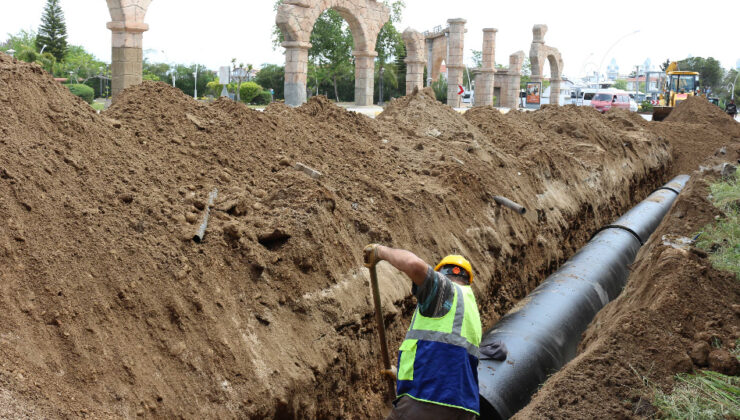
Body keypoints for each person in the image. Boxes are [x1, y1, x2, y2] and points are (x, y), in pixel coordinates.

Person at [363, 244, 482, 420]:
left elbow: (413, 265)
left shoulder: (445, 291)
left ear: (441, 274)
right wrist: (401, 375)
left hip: (429, 400)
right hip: (462, 409)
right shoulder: (470, 309)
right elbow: (450, 359)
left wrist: (379, 251)